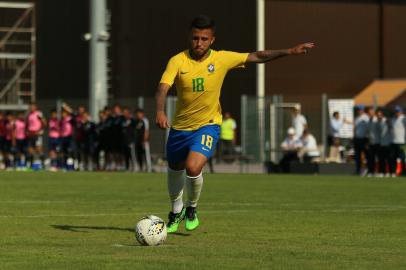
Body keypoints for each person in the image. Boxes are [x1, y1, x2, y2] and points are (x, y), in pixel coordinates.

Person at [155, 15, 314, 233]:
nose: (199, 43)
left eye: (204, 38)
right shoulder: (177, 61)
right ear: (188, 37)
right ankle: (176, 210)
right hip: (180, 127)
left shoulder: (222, 58)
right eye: (195, 38)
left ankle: (192, 208)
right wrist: (160, 111)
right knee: (175, 170)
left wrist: (289, 51)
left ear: (212, 40)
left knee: (193, 168)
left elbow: (257, 55)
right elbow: (163, 87)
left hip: (208, 124)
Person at [26, 103, 46, 168]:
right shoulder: (29, 115)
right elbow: (28, 124)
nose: (31, 108)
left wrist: (41, 130)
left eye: (33, 107)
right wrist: (27, 131)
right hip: (31, 134)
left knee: (39, 149)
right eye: (30, 107)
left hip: (37, 134)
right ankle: (31, 164)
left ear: (36, 107)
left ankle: (43, 164)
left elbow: (44, 123)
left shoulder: (38, 114)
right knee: (30, 149)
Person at [376, 108, 393, 177]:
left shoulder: (387, 120)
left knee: (389, 159)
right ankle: (382, 172)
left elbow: (391, 128)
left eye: (379, 115)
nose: (378, 116)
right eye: (377, 115)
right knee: (381, 159)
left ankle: (390, 172)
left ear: (382, 114)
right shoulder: (378, 122)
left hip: (388, 143)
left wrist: (389, 124)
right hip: (381, 143)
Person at [390, 105, 406, 177]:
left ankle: (403, 172)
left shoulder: (404, 119)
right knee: (393, 158)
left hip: (402, 142)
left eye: (398, 111)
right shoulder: (393, 119)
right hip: (393, 142)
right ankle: (394, 172)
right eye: (396, 111)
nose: (397, 113)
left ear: (401, 112)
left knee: (402, 158)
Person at [353, 104, 369, 175]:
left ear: (363, 110)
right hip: (357, 138)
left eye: (360, 109)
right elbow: (355, 128)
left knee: (366, 155)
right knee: (357, 156)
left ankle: (367, 169)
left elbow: (368, 129)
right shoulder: (356, 118)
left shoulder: (366, 118)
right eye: (358, 110)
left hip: (364, 139)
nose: (358, 111)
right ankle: (358, 170)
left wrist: (367, 140)